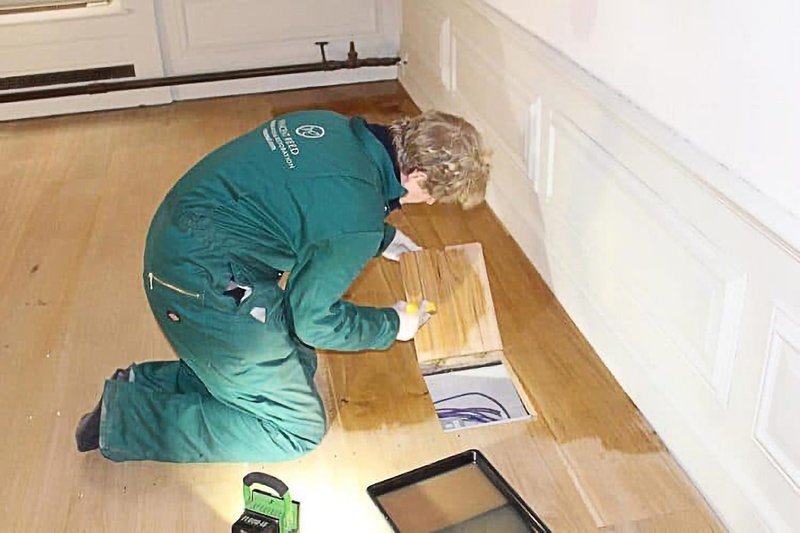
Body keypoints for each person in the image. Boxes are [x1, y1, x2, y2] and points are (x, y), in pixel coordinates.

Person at [74, 109, 490, 462]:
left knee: (300, 365)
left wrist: (381, 237)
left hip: (181, 241)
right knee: (296, 429)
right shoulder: (355, 216)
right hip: (200, 284)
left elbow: (305, 198)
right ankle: (127, 420)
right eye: (433, 194)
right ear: (415, 174)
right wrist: (391, 325)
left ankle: (144, 384)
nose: (432, 203)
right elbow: (313, 321)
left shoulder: (330, 126)